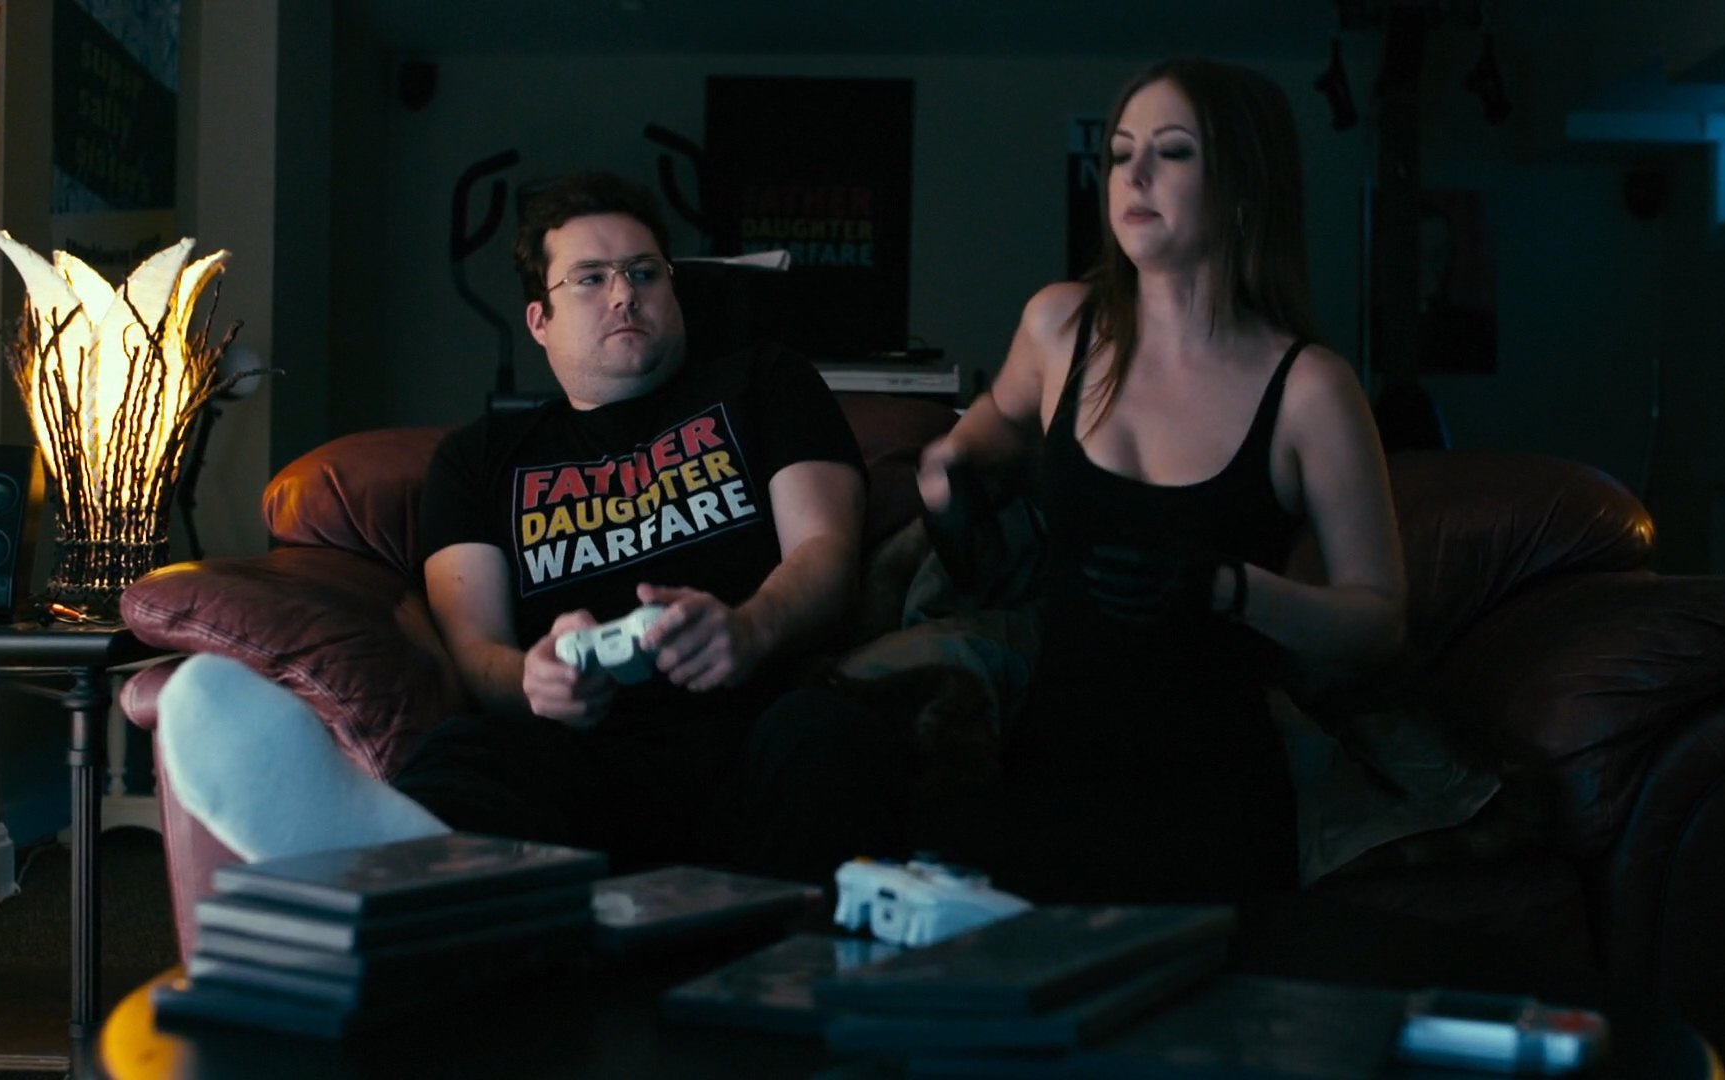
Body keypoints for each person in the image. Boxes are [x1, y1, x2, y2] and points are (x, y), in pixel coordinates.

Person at [157, 173, 910, 881]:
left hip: (754, 728)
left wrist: (748, 628)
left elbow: (825, 553)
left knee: (831, 733)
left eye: (645, 272)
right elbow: (476, 647)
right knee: (467, 753)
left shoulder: (764, 383)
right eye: (591, 278)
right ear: (539, 321)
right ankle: (364, 867)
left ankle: (373, 876)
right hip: (579, 760)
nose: (625, 293)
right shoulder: (480, 460)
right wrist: (533, 678)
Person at [914, 58, 1406, 903]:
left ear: (1243, 187)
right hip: (1048, 766)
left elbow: (1380, 622)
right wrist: (948, 466)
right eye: (1119, 154)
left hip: (1212, 790)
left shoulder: (1311, 388)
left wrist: (1229, 588)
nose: (1133, 174)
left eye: (1172, 151)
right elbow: (991, 424)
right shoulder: (1060, 324)